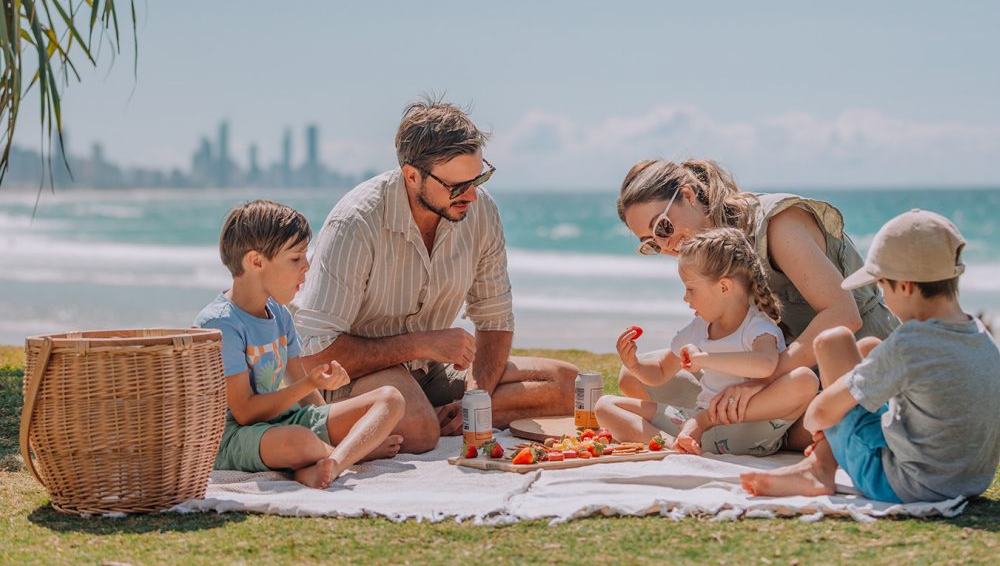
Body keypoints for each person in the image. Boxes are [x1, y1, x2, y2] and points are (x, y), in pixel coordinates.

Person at [292, 99, 577, 453]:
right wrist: (422, 343)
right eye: (457, 186)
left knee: (569, 386)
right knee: (421, 429)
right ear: (412, 176)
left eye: (479, 178)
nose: (472, 195)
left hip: (432, 373)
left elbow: (495, 321)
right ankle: (416, 417)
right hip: (352, 378)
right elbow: (315, 355)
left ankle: (438, 415)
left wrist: (476, 399)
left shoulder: (481, 211)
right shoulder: (354, 222)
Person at [615, 158, 899, 449]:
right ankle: (735, 432)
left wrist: (760, 381)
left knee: (812, 412)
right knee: (634, 375)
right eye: (651, 243)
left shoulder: (777, 223)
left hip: (842, 360)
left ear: (688, 195)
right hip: (768, 363)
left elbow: (843, 315)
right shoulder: (706, 250)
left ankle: (758, 432)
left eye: (662, 228)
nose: (666, 246)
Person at [741, 210, 1000, 502]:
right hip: (969, 481)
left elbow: (821, 414)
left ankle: (818, 470)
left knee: (832, 342)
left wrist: (817, 419)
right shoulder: (981, 336)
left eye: (881, 286)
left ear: (905, 287)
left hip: (904, 485)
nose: (883, 297)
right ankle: (819, 467)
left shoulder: (911, 344)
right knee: (869, 348)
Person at [195, 200, 405, 488]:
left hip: (281, 421)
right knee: (298, 441)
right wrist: (310, 384)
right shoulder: (221, 323)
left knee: (390, 399)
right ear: (255, 261)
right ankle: (348, 455)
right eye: (295, 259)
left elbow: (311, 404)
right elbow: (245, 412)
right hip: (234, 436)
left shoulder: (279, 313)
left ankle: (332, 463)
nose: (306, 266)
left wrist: (325, 413)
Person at [596, 228, 818, 455]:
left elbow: (765, 364)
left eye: (691, 289)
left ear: (724, 287)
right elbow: (660, 372)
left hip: (751, 428)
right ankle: (673, 445)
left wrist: (705, 361)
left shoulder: (758, 326)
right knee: (604, 405)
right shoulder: (698, 328)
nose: (685, 297)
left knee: (805, 380)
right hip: (695, 424)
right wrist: (634, 365)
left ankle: (695, 429)